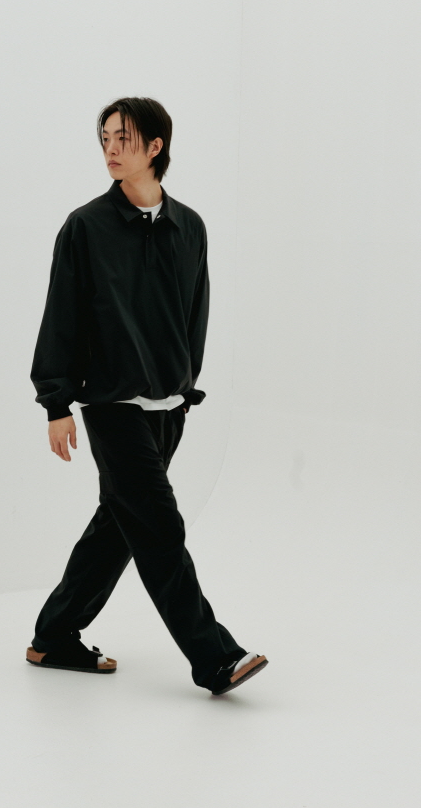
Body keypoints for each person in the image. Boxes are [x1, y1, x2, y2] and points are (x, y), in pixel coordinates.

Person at [27, 97, 267, 696]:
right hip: (111, 405)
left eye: (123, 138)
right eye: (105, 138)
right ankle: (214, 657)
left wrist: (183, 387)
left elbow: (195, 313)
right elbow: (62, 316)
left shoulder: (190, 227)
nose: (110, 149)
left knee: (118, 527)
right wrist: (56, 403)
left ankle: (53, 635)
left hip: (169, 408)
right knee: (159, 528)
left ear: (155, 146)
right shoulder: (85, 227)